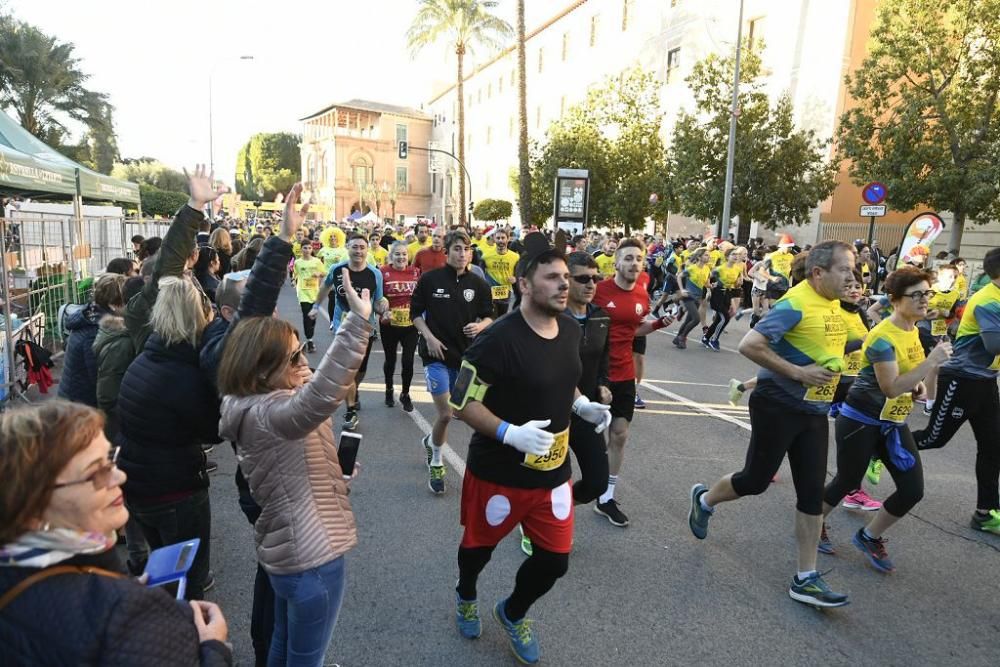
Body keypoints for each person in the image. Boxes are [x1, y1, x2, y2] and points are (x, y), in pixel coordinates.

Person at [448, 238, 610, 665]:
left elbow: (563, 379)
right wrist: (509, 433)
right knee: (477, 551)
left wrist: (580, 405)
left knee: (555, 563)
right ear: (524, 283)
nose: (564, 285)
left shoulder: (571, 329)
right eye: (552, 277)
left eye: (565, 277)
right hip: (498, 474)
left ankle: (512, 612)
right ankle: (466, 594)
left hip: (553, 474)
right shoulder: (495, 340)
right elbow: (461, 402)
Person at [688, 240, 856, 608]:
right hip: (777, 406)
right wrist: (799, 372)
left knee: (812, 493)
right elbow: (750, 344)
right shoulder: (795, 303)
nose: (852, 275)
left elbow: (832, 346)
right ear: (818, 272)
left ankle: (805, 578)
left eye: (853, 268)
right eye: (845, 269)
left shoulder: (832, 304)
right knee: (755, 481)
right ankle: (705, 498)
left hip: (813, 413)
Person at [0, 401, 232, 666]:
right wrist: (214, 648)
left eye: (110, 459)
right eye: (95, 473)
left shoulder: (15, 566)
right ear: (31, 507)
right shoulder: (125, 616)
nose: (119, 476)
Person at [218, 272, 371, 667]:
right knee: (305, 659)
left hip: (288, 553)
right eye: (295, 357)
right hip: (312, 556)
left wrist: (334, 477)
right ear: (262, 370)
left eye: (303, 350)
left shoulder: (248, 404)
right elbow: (322, 395)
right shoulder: (273, 410)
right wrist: (357, 321)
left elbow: (292, 466)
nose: (305, 361)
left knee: (283, 648)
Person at [819, 268, 951, 572]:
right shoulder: (881, 336)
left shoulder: (913, 330)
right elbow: (890, 386)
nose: (923, 300)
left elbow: (905, 377)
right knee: (847, 480)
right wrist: (931, 363)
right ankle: (813, 523)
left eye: (927, 293)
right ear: (894, 299)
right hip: (861, 421)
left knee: (912, 490)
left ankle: (869, 535)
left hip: (892, 421)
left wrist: (917, 386)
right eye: (916, 294)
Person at [117, 278, 221, 600]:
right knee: (188, 582)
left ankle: (165, 629)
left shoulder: (146, 359)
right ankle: (188, 643)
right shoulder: (184, 374)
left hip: (140, 487)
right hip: (175, 491)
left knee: (164, 572)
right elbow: (215, 430)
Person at [914, 247, 1000, 535]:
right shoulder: (988, 300)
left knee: (993, 446)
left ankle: (985, 512)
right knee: (933, 439)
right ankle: (873, 448)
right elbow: (994, 346)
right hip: (961, 379)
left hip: (986, 381)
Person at [592, 238, 673, 526]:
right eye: (627, 258)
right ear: (615, 262)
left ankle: (606, 497)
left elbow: (635, 329)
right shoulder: (598, 291)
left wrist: (659, 324)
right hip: (593, 376)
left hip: (624, 375)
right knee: (574, 441)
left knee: (620, 435)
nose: (633, 263)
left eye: (638, 258)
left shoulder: (641, 293)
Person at [410, 229, 494, 495]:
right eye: (457, 249)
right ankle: (436, 461)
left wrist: (481, 327)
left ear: (471, 252)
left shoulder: (479, 284)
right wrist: (430, 338)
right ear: (447, 252)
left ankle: (429, 440)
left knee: (461, 413)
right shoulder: (430, 280)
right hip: (435, 356)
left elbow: (489, 316)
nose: (462, 253)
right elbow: (415, 315)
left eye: (466, 249)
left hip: (466, 359)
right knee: (446, 414)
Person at [310, 234, 386, 431]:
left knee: (359, 371)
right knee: (347, 371)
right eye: (355, 247)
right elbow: (325, 287)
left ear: (367, 250)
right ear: (348, 248)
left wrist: (384, 307)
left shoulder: (374, 274)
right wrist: (316, 306)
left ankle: (355, 390)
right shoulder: (337, 270)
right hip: (342, 326)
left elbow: (378, 301)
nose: (358, 251)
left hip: (365, 329)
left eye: (362, 247)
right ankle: (350, 411)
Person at [58, 273, 127, 408]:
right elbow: (99, 377)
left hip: (73, 400)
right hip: (80, 408)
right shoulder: (95, 330)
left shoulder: (90, 314)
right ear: (115, 303)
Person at [380, 241, 421, 412]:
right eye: (397, 254)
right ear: (391, 256)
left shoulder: (415, 272)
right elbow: (378, 297)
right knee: (390, 360)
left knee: (408, 360)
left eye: (404, 254)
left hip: (410, 324)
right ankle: (389, 389)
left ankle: (405, 393)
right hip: (389, 324)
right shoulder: (382, 272)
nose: (401, 257)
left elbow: (420, 296)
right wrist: (383, 311)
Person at [917, 264, 960, 416]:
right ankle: (928, 400)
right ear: (940, 276)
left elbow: (952, 314)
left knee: (936, 365)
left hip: (940, 330)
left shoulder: (955, 294)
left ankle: (927, 398)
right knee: (932, 364)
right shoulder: (930, 290)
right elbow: (914, 308)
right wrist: (926, 312)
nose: (952, 280)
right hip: (923, 328)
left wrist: (944, 312)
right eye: (949, 276)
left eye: (955, 277)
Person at [704, 247, 746, 351]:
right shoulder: (720, 269)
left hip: (727, 294)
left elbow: (735, 285)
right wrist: (710, 287)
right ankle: (714, 340)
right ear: (727, 257)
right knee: (725, 318)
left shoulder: (737, 269)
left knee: (719, 319)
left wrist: (739, 283)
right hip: (717, 294)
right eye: (733, 254)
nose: (736, 256)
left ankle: (706, 338)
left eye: (737, 254)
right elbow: (708, 278)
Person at [674, 248, 711, 349]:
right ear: (699, 257)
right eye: (706, 255)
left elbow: (706, 284)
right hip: (688, 296)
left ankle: (677, 338)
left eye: (708, 255)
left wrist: (711, 288)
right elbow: (679, 276)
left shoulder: (707, 269)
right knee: (696, 319)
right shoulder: (692, 268)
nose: (708, 257)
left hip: (698, 298)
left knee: (688, 320)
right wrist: (682, 290)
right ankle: (682, 337)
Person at [293, 241, 325, 353]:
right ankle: (309, 340)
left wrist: (318, 274)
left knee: (312, 318)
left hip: (315, 292)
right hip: (303, 293)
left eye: (309, 248)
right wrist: (295, 282)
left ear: (312, 249)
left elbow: (324, 272)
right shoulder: (298, 262)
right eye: (305, 248)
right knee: (306, 316)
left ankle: (309, 334)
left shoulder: (317, 261)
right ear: (301, 249)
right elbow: (295, 274)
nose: (307, 250)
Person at [482, 228, 520, 317]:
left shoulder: (515, 257)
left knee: (503, 318)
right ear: (494, 239)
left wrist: (515, 278)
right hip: (491, 292)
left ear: (508, 239)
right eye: (498, 238)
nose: (500, 240)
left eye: (503, 238)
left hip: (506, 292)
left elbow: (520, 273)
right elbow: (480, 273)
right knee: (491, 318)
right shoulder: (486, 256)